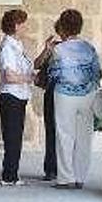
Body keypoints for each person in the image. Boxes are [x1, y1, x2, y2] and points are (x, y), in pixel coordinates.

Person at [47, 9, 102, 189]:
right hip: (87, 95)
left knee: (64, 135)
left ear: (62, 27)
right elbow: (97, 73)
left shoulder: (59, 49)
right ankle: (80, 178)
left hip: (64, 95)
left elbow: (53, 73)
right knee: (85, 137)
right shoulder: (89, 47)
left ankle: (65, 178)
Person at [0, 9, 34, 186]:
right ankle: (9, 175)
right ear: (17, 25)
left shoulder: (17, 45)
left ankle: (12, 173)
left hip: (19, 95)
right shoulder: (7, 47)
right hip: (10, 95)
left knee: (16, 136)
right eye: (24, 23)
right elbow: (9, 76)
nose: (27, 27)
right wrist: (31, 79)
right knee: (12, 136)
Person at [34, 24, 62, 182]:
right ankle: (51, 169)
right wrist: (46, 49)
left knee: (62, 133)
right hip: (53, 93)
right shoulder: (54, 48)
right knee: (51, 131)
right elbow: (36, 65)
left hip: (63, 94)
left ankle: (60, 170)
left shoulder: (74, 49)